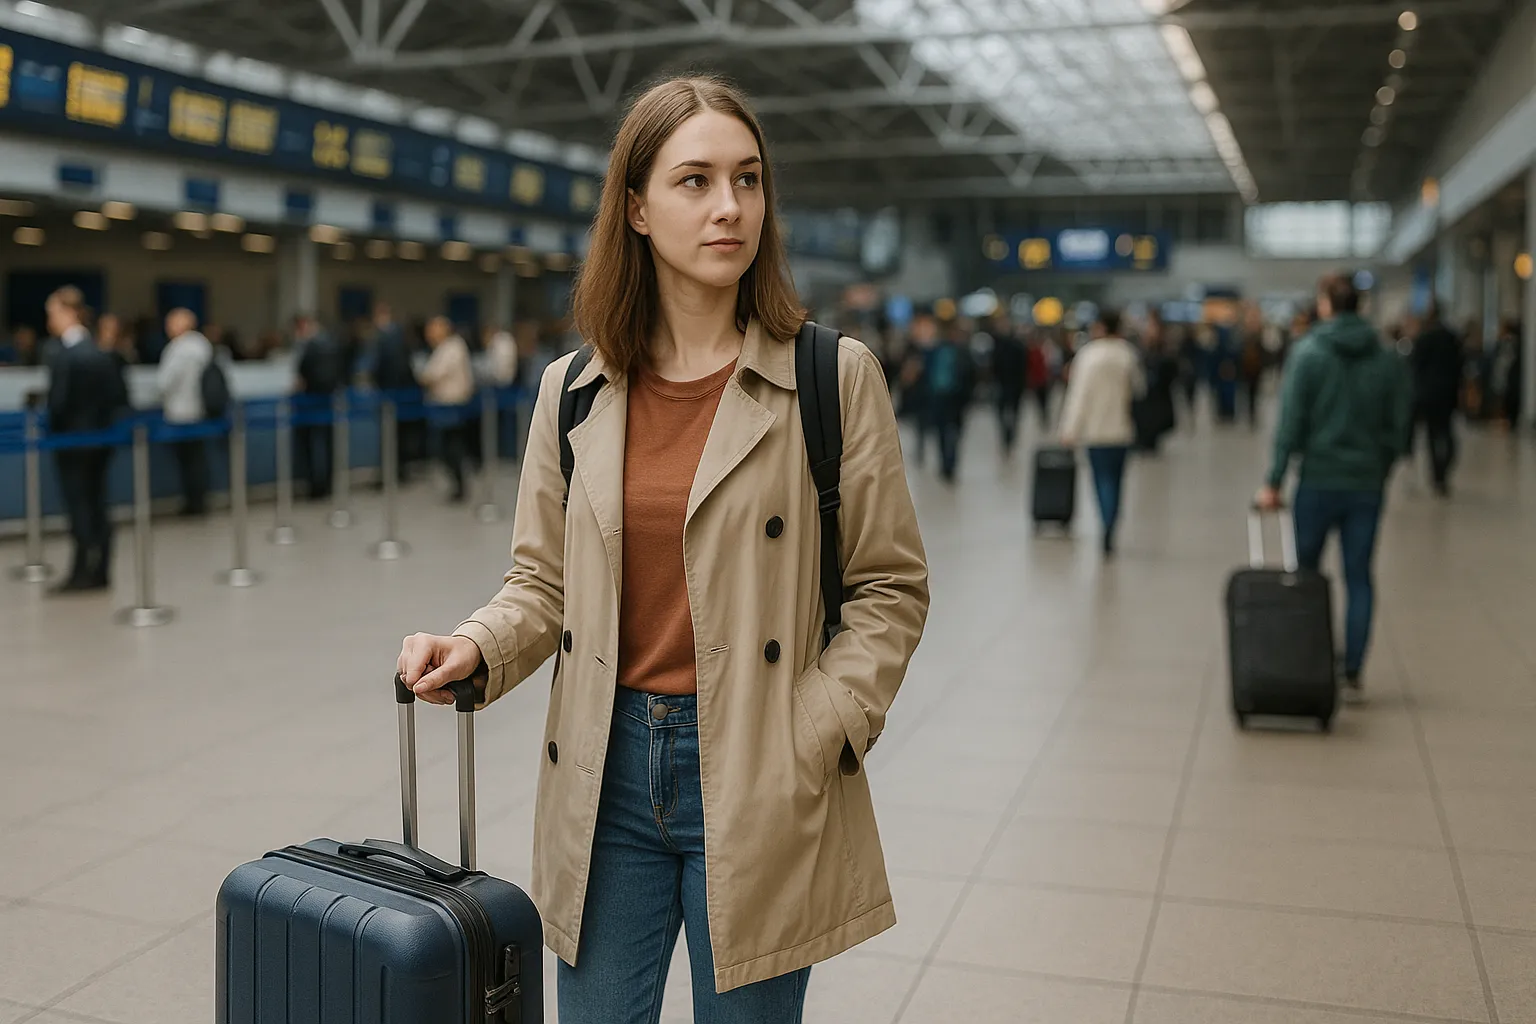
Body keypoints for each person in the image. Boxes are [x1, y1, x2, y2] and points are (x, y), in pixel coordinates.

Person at [396, 76, 929, 1024]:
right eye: (695, 181)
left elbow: (889, 587)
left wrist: (817, 728)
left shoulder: (830, 377)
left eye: (748, 179)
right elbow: (542, 581)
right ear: (635, 208)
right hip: (604, 774)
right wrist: (478, 643)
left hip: (761, 764)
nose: (730, 207)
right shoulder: (573, 391)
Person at [1257, 273, 1411, 703]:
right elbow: (1400, 424)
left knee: (1306, 574)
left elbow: (1290, 423)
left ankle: (1308, 657)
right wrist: (1382, 465)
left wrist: (1273, 480)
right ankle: (1353, 669)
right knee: (1359, 576)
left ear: (1325, 304)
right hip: (1365, 483)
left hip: (1318, 480)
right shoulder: (1385, 358)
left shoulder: (1308, 354)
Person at [43, 286, 129, 593]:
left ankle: (82, 571)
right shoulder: (101, 353)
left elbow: (59, 403)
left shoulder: (64, 355)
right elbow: (118, 397)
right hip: (100, 442)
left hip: (71, 443)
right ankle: (101, 567)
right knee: (98, 503)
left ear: (67, 313)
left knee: (79, 505)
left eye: (52, 313)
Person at [1058, 308, 1143, 556]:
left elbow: (1078, 396)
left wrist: (1069, 430)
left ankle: (1105, 522)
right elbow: (1139, 389)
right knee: (1117, 480)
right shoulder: (1127, 354)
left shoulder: (1088, 356)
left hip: (1096, 432)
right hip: (1122, 430)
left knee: (1101, 479)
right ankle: (1112, 521)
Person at [157, 308, 214, 516]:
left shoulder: (178, 348)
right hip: (200, 411)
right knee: (197, 460)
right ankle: (199, 500)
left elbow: (164, 383)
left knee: (188, 462)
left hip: (180, 413)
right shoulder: (203, 345)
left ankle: (193, 502)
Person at [419, 315, 476, 502]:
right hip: (443, 406)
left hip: (452, 406)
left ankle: (460, 486)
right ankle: (456, 484)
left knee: (452, 448)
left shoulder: (453, 347)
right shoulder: (442, 348)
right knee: (447, 447)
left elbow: (431, 374)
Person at [1410, 301, 1462, 496]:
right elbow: (1459, 365)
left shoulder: (1424, 338)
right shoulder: (1451, 337)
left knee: (1433, 434)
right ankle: (1444, 467)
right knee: (1446, 430)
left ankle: (1437, 473)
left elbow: (1415, 366)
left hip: (1429, 393)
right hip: (1447, 392)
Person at [292, 312, 342, 500]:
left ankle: (315, 485)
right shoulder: (332, 343)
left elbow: (301, 374)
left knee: (311, 446)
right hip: (329, 400)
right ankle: (329, 483)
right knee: (328, 444)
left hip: (310, 401)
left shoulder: (308, 347)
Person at [991, 317, 1027, 454]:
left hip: (1014, 384)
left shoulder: (1015, 346)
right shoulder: (998, 344)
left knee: (1012, 411)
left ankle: (1010, 434)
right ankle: (1007, 434)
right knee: (1004, 411)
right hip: (1004, 384)